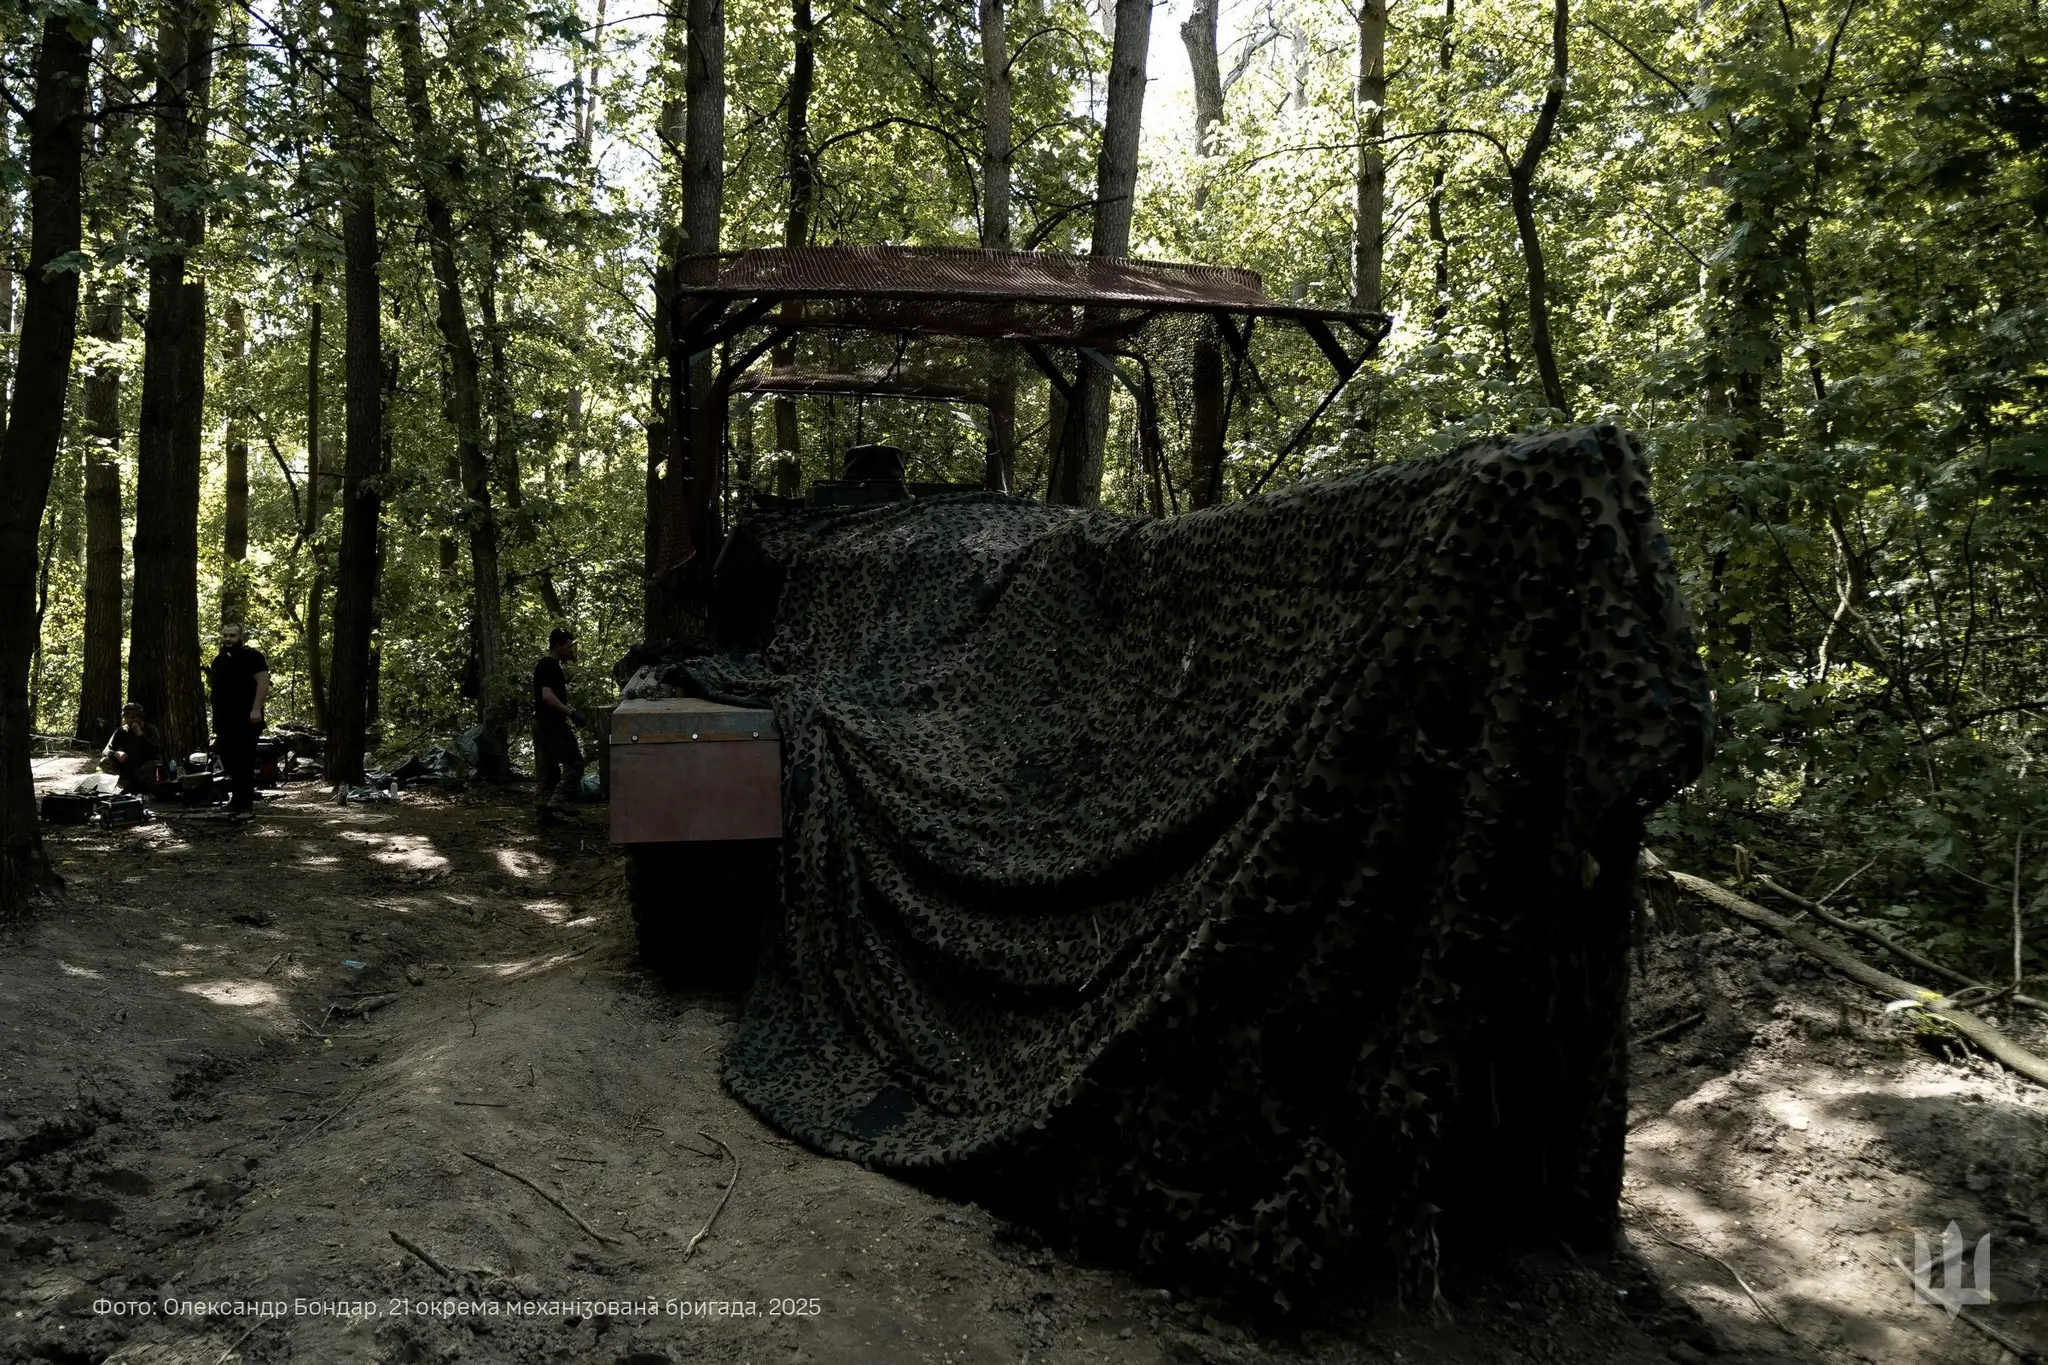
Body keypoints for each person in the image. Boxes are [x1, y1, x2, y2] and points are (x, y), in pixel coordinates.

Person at [207, 622, 270, 821]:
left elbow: (263, 681)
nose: (228, 639)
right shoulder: (219, 660)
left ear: (240, 636)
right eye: (225, 636)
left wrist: (255, 709)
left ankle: (244, 801)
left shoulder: (252, 656)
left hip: (246, 717)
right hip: (224, 719)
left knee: (244, 759)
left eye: (232, 636)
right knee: (228, 756)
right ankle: (237, 798)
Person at [533, 626, 586, 826]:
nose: (572, 650)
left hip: (541, 722)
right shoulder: (549, 666)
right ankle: (558, 800)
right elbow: (547, 696)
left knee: (548, 769)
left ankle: (542, 814)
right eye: (569, 646)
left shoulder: (548, 665)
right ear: (558, 646)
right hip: (551, 723)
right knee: (575, 763)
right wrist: (570, 713)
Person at [99, 703, 163, 794]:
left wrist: (140, 735)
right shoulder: (122, 731)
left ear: (140, 717)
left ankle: (146, 786)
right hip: (128, 766)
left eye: (133, 717)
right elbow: (105, 751)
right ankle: (122, 784)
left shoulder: (150, 729)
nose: (129, 720)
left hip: (145, 766)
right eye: (126, 717)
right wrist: (116, 753)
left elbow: (156, 751)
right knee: (104, 761)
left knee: (154, 765)